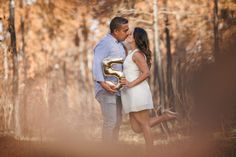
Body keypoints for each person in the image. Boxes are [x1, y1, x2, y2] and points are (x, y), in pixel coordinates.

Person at [121, 27, 176, 147]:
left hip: (136, 92)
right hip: (130, 93)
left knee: (144, 125)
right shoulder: (132, 53)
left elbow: (146, 73)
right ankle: (165, 116)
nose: (128, 35)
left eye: (131, 34)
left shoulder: (137, 54)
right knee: (136, 128)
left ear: (136, 38)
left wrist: (130, 84)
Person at [92, 17, 129, 143]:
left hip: (118, 90)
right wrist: (102, 83)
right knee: (110, 122)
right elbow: (97, 63)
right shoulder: (105, 43)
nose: (127, 33)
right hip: (106, 89)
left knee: (117, 122)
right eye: (125, 30)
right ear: (115, 31)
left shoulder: (121, 45)